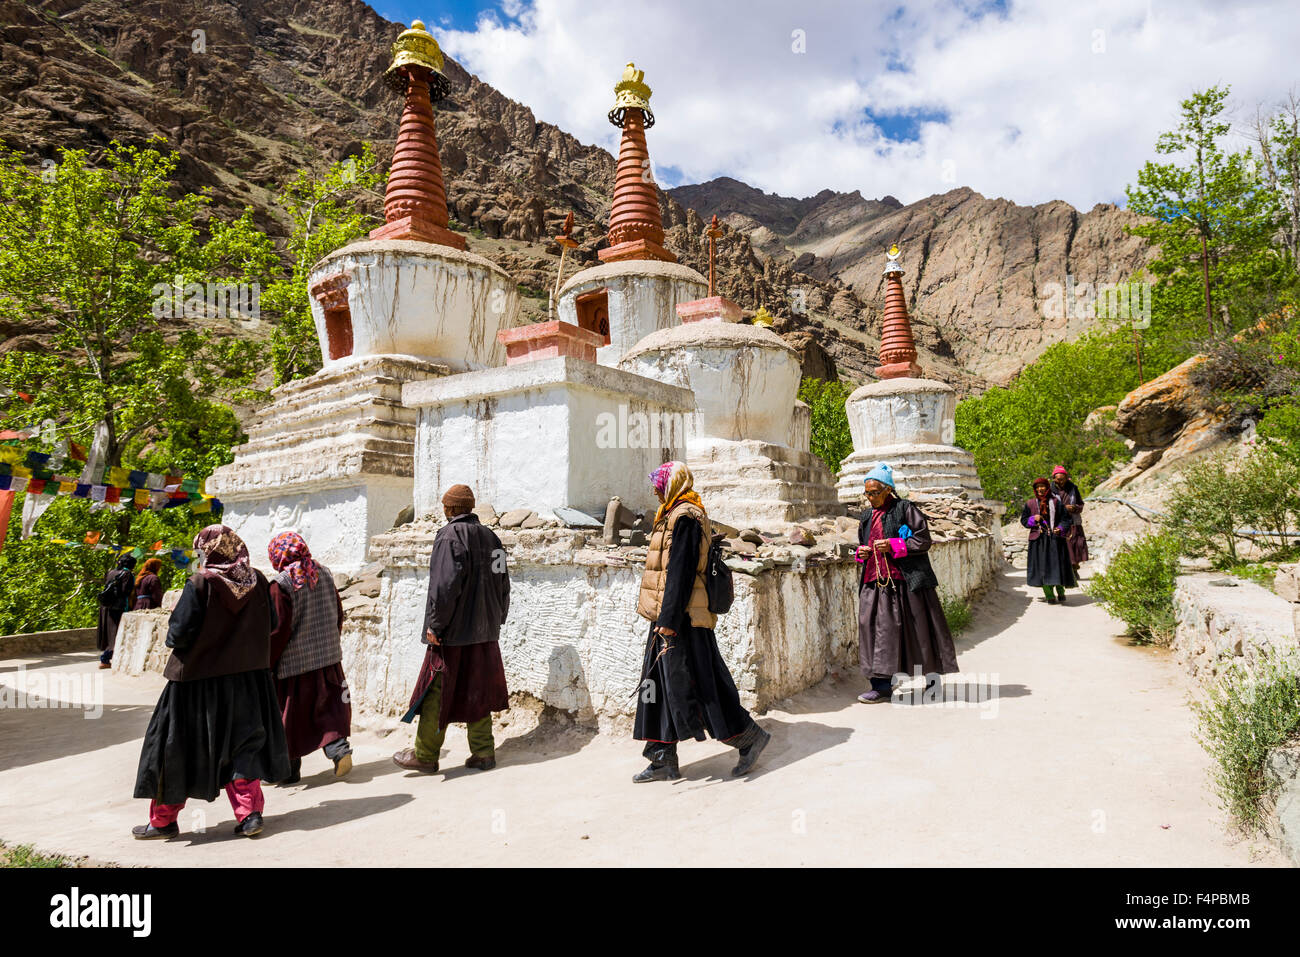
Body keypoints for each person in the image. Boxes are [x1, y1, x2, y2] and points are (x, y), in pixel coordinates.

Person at [131, 525, 290, 840]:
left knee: (177, 747)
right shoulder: (258, 581)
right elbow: (271, 623)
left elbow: (177, 634)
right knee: (244, 745)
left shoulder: (202, 583)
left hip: (195, 683)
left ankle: (163, 821)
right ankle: (250, 815)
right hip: (247, 680)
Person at [632, 461, 770, 781]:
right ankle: (662, 754)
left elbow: (679, 572)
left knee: (698, 684)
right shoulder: (673, 513)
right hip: (667, 615)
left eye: (660, 483)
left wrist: (668, 621)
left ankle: (748, 737)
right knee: (659, 685)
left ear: (674, 484)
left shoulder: (686, 518)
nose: (655, 489)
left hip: (682, 619)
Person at [393, 484, 510, 774]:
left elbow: (444, 586)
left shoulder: (449, 536)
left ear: (449, 509)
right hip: (485, 632)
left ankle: (426, 754)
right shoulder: (492, 538)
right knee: (478, 688)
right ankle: (483, 752)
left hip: (453, 632)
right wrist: (498, 617)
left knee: (436, 690)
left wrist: (436, 623)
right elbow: (503, 582)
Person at [855, 463, 959, 703]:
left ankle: (932, 682)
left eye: (874, 493)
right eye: (867, 493)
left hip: (907, 582)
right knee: (875, 632)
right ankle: (880, 686)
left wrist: (894, 545)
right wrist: (861, 553)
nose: (870, 498)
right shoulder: (866, 516)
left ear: (888, 490)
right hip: (876, 582)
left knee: (920, 630)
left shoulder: (905, 509)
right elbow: (863, 543)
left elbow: (923, 540)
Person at [267, 531, 353, 784]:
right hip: (327, 657)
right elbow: (338, 611)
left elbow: (278, 629)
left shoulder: (281, 583)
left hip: (294, 664)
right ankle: (338, 749)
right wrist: (332, 641)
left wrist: (268, 661)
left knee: (290, 718)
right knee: (329, 709)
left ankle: (288, 771)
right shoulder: (323, 572)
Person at [1021, 477, 1076, 604]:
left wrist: (1060, 528)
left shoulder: (1056, 502)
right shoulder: (1030, 504)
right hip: (1038, 541)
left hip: (1055, 540)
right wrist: (1033, 519)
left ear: (1047, 487)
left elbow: (1066, 519)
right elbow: (1023, 521)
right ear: (1035, 489)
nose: (1040, 489)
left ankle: (1061, 592)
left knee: (1058, 566)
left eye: (1042, 486)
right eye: (1037, 487)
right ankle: (1049, 595)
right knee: (1042, 568)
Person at [96, 555, 135, 669]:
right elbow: (125, 591)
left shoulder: (111, 572)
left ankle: (106, 658)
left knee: (109, 633)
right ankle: (105, 658)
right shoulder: (127, 574)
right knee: (116, 632)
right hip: (118, 607)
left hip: (106, 606)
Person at [1051, 465, 1089, 578]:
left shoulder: (1073, 488)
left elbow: (1081, 504)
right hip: (1058, 523)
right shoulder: (1050, 490)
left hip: (1073, 522)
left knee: (1075, 546)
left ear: (1067, 478)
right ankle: (1062, 572)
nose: (1061, 481)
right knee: (1061, 548)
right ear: (1054, 479)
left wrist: (1075, 508)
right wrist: (1063, 508)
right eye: (1058, 479)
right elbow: (1048, 505)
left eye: (1063, 479)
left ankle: (1074, 570)